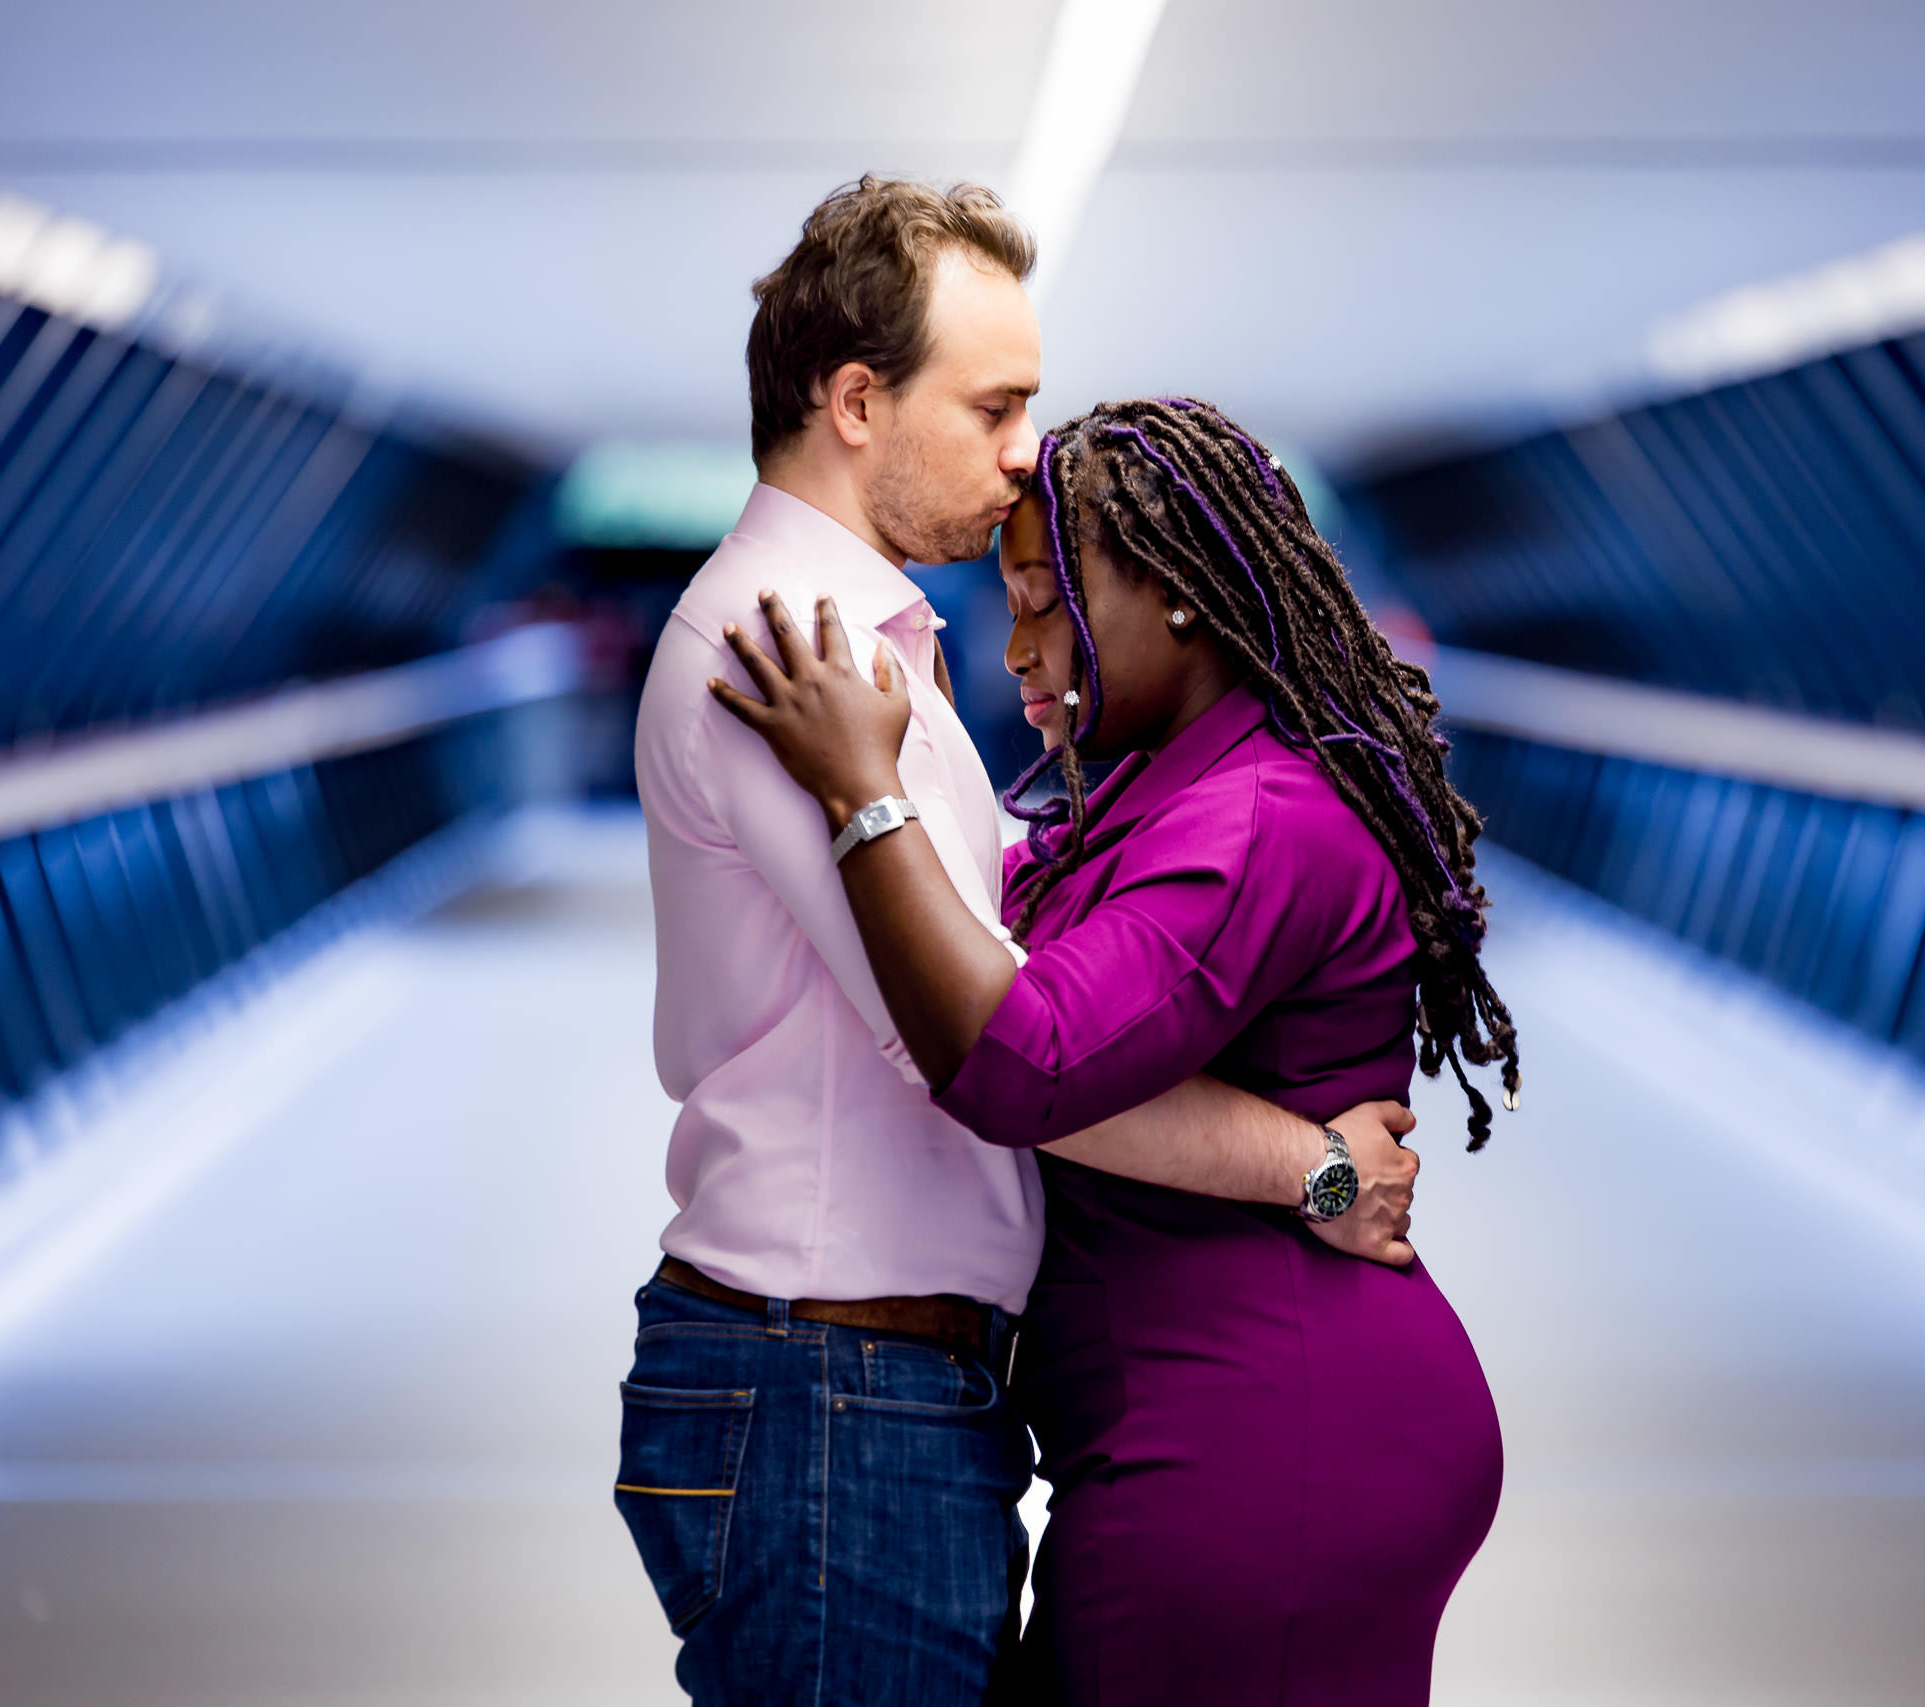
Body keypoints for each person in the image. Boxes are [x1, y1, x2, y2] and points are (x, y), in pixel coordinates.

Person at [624, 181, 1423, 1706]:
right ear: (858, 403)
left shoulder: (871, 653)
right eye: (994, 406)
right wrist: (1315, 1167)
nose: (1021, 451)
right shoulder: (788, 648)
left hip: (861, 1384)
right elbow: (1000, 1051)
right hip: (825, 1384)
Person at [709, 394, 1519, 1705]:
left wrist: (866, 793)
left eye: (1045, 602)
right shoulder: (1164, 784)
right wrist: (1310, 1166)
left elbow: (1021, 1056)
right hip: (1229, 1430)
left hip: (1265, 1449)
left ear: (1178, 593)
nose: (1016, 648)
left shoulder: (1253, 822)